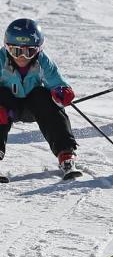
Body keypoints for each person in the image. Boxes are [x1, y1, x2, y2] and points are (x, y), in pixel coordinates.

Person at [0, 18, 78, 177]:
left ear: (38, 50)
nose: (22, 57)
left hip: (32, 107)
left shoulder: (43, 62)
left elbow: (57, 83)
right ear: (7, 48)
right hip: (6, 107)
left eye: (29, 51)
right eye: (16, 51)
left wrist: (63, 93)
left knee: (43, 95)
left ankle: (65, 155)